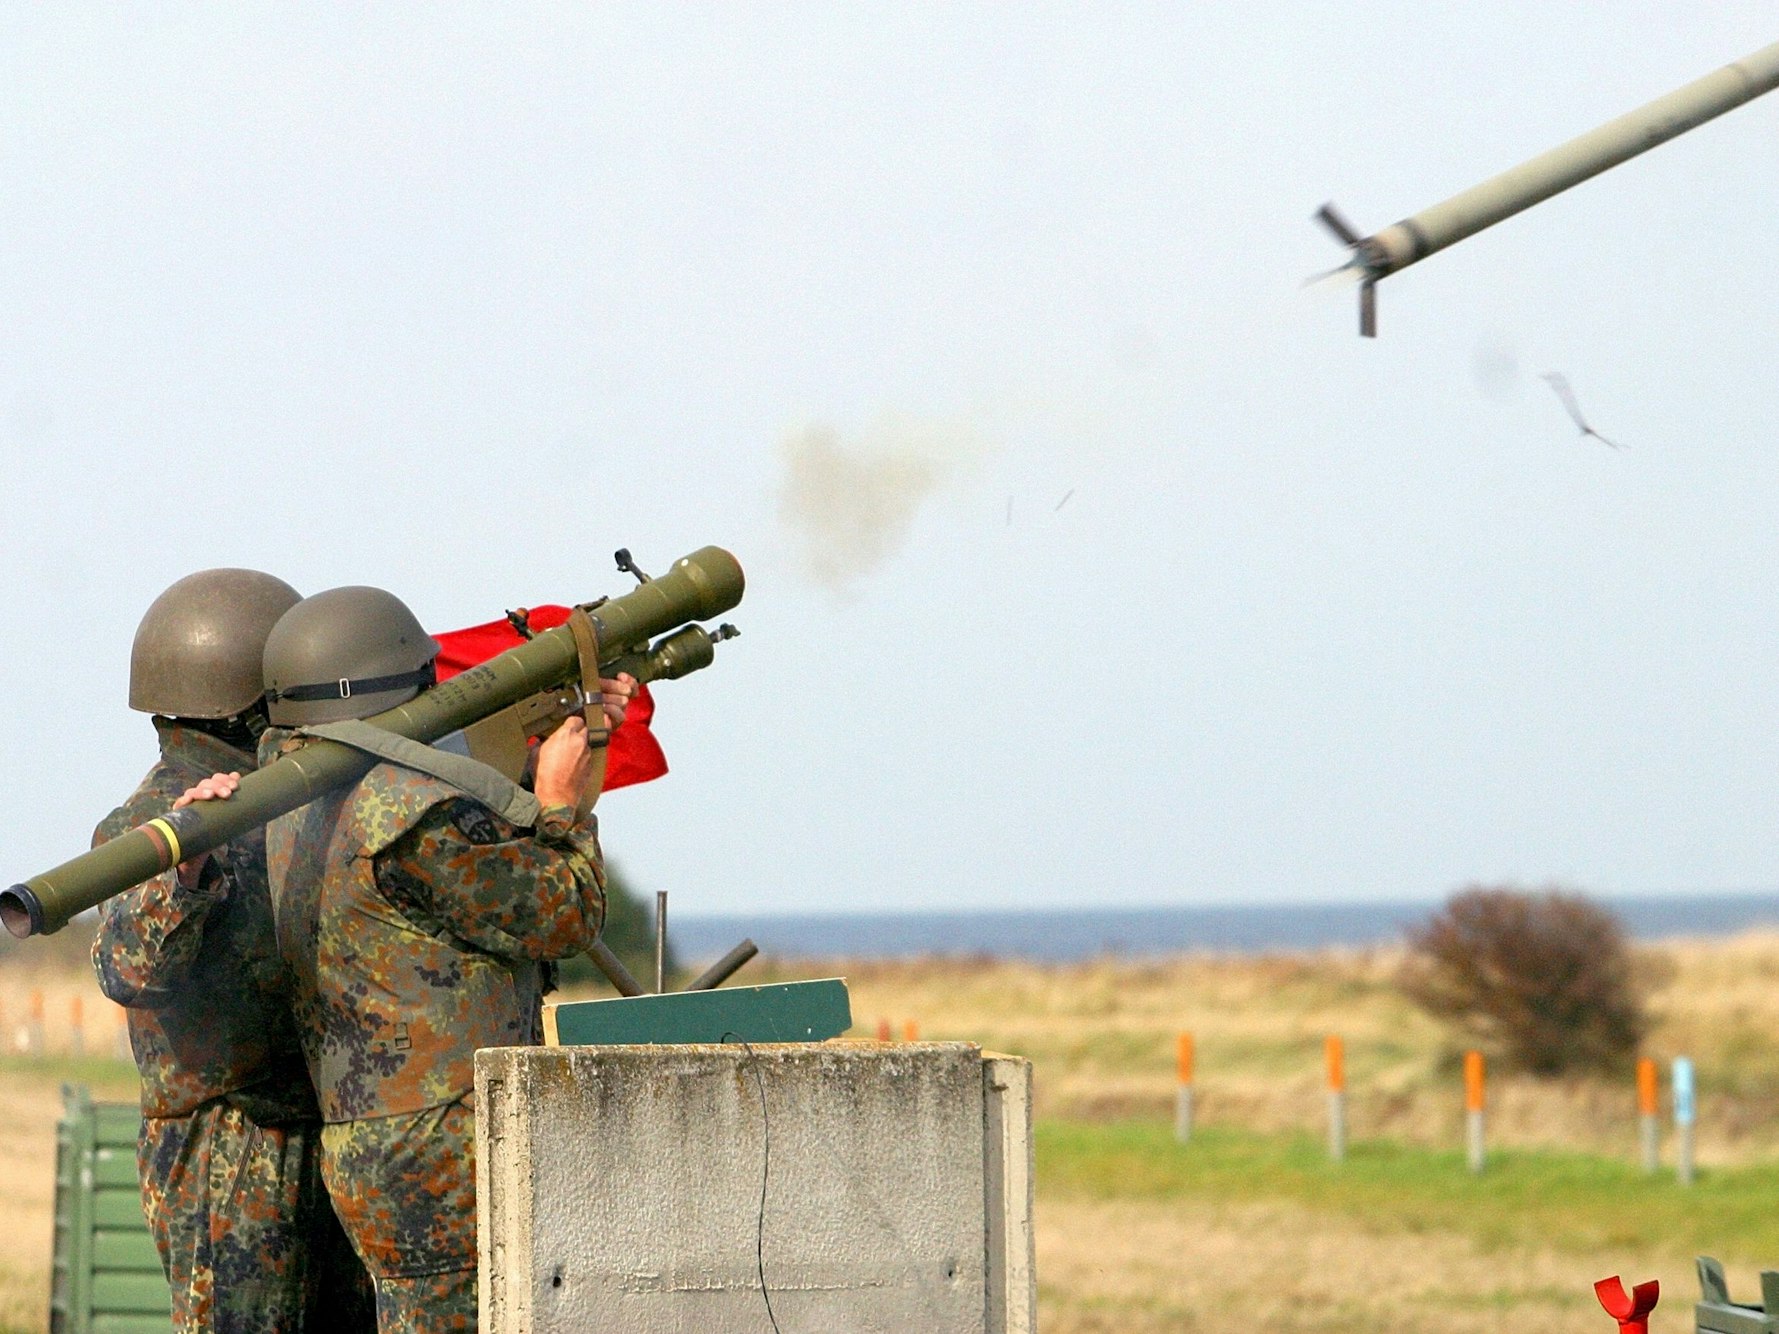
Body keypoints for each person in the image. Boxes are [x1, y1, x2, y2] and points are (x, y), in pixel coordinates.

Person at [254, 585, 628, 1333]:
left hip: (375, 1139)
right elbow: (564, 913)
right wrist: (559, 801)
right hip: (443, 1151)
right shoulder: (413, 815)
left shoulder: (292, 796)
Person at [90, 569, 375, 1333]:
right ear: (253, 704)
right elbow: (130, 969)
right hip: (232, 1145)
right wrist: (187, 866)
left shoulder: (291, 798)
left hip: (320, 1122)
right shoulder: (153, 820)